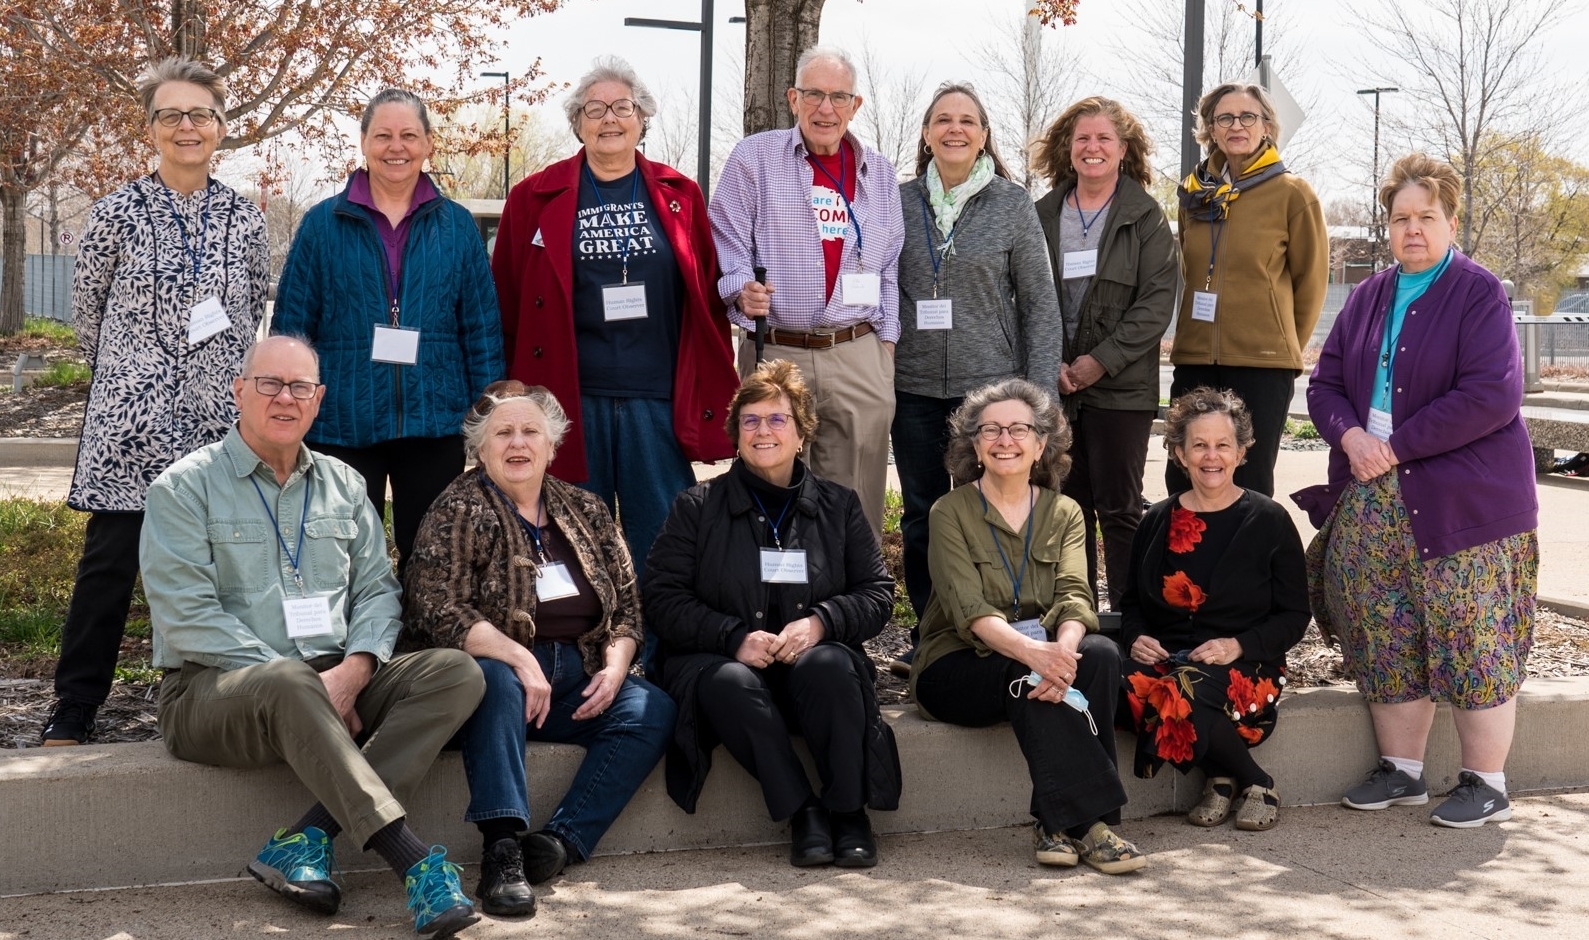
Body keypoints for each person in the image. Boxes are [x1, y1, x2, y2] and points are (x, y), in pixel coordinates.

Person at [140, 336, 484, 936]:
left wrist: (354, 671)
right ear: (239, 390)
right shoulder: (184, 488)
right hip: (214, 691)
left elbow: (377, 590)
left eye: (300, 387)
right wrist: (307, 684)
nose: (285, 398)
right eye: (270, 383)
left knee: (456, 672)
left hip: (331, 676)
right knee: (286, 679)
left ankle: (305, 838)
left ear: (319, 399)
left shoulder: (344, 484)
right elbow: (187, 616)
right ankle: (413, 863)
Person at [1297, 152, 1539, 829]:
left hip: (1463, 499)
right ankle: (1400, 771)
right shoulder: (1369, 295)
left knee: (1471, 627)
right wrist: (1350, 438)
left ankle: (1485, 782)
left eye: (1426, 217)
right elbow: (1325, 384)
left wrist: (1395, 446)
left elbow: (1491, 394)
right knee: (1381, 623)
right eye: (1401, 217)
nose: (1412, 229)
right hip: (1371, 485)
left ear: (1450, 222)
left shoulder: (1477, 292)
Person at [41, 58, 269, 746]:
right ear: (151, 128)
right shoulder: (115, 213)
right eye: (171, 115)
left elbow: (252, 312)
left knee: (223, 567)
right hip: (129, 430)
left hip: (214, 427)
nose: (186, 126)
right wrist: (135, 375)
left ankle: (229, 696)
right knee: (109, 568)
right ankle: (76, 705)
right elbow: (87, 315)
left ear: (221, 127)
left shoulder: (245, 220)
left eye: (200, 114)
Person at [492, 58, 738, 674]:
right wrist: (511, 391)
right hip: (567, 399)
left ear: (642, 119)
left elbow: (706, 292)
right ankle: (584, 661)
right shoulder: (533, 196)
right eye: (594, 109)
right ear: (577, 122)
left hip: (657, 395)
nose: (609, 119)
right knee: (573, 538)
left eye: (622, 108)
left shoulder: (680, 195)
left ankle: (666, 660)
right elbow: (507, 297)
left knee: (664, 537)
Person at [401, 381, 676, 917]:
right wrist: (520, 657)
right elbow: (437, 607)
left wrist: (615, 668)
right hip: (486, 686)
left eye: (531, 431)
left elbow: (626, 605)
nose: (518, 442)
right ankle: (501, 850)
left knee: (651, 708)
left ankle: (558, 842)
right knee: (495, 678)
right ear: (481, 448)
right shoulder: (458, 507)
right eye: (503, 432)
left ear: (552, 446)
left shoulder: (586, 508)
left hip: (574, 679)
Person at [643, 360, 899, 869]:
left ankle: (849, 811)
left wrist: (821, 623)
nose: (764, 431)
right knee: (728, 680)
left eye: (778, 419)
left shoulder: (839, 506)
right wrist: (733, 636)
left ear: (802, 433)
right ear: (736, 434)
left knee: (830, 664)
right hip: (726, 670)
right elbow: (662, 597)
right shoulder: (696, 507)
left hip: (812, 671)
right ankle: (803, 812)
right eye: (751, 421)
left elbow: (877, 593)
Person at [910, 379, 1145, 874]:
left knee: (1101, 655)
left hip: (1039, 658)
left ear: (1041, 445)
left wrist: (1063, 652)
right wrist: (1038, 656)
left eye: (1019, 429)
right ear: (974, 445)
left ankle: (1054, 823)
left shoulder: (1065, 512)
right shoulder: (949, 511)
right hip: (956, 666)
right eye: (990, 430)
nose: (1005, 441)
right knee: (1027, 673)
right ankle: (1092, 825)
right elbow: (969, 610)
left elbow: (1075, 595)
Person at [273, 87, 504, 574]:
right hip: (342, 422)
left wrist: (488, 418)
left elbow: (481, 329)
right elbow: (291, 329)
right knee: (343, 559)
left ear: (428, 143)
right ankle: (354, 628)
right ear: (363, 142)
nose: (396, 147)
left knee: (434, 560)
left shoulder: (457, 227)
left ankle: (422, 627)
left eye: (409, 135)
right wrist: (289, 405)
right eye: (383, 136)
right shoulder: (322, 225)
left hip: (434, 421)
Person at [889, 81, 1061, 675]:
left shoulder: (1012, 204)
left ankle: (996, 633)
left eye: (967, 120)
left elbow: (1039, 304)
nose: (955, 129)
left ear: (984, 134)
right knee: (921, 515)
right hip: (913, 387)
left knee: (987, 515)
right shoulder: (897, 201)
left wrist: (1039, 399)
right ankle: (931, 635)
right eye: (943, 119)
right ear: (926, 134)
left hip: (989, 395)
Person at [709, 44, 905, 539]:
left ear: (855, 106)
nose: (825, 108)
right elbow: (726, 241)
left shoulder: (879, 172)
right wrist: (741, 291)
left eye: (839, 97)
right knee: (769, 486)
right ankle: (768, 586)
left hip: (857, 350)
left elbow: (889, 264)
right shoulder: (754, 158)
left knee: (855, 503)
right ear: (793, 98)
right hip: (777, 350)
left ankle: (854, 589)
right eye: (814, 94)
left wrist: (885, 345)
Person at [1119, 388, 1309, 831]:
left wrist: (1236, 645)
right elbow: (1131, 604)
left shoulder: (1269, 520)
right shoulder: (1156, 521)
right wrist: (1135, 636)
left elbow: (1295, 616)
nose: (1211, 456)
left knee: (1179, 688)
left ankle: (1257, 782)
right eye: (1199, 445)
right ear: (1179, 454)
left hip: (1247, 663)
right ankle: (1221, 775)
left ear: (1241, 452)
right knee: (1112, 682)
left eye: (1223, 445)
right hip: (1170, 659)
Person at [1033, 97, 1179, 610]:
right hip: (1056, 388)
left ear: (1123, 149)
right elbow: (1023, 293)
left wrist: (1100, 361)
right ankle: (1077, 617)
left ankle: (1127, 619)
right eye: (1083, 138)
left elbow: (1155, 306)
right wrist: (1048, 359)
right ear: (1068, 148)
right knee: (1066, 510)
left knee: (1120, 509)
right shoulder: (1042, 214)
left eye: (1103, 139)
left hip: (1122, 389)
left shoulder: (1146, 218)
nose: (1092, 148)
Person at [1167, 82, 1327, 498]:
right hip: (1195, 358)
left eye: (1247, 117)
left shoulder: (1293, 193)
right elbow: (1190, 269)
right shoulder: (1193, 193)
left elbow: (1311, 283)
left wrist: (1281, 347)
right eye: (1225, 118)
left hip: (1262, 364)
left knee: (1249, 484)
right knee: (1183, 478)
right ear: (1210, 129)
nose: (1236, 126)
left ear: (1267, 126)